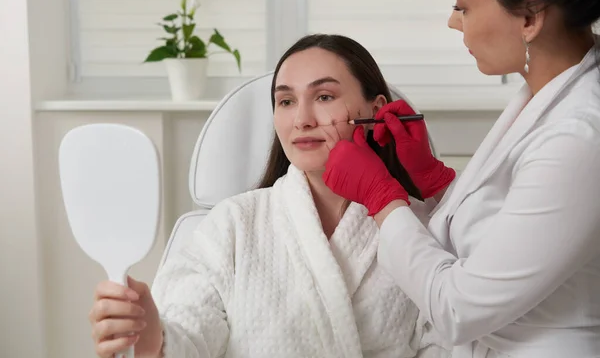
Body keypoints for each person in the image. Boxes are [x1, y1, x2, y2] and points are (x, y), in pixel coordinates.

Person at [87, 34, 449, 358]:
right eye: (286, 101)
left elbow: (451, 341)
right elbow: (190, 331)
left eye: (324, 96)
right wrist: (152, 339)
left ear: (376, 109)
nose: (302, 119)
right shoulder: (233, 224)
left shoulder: (416, 228)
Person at [322, 0, 600, 357]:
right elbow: (509, 230)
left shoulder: (580, 136)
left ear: (529, 17)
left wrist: (381, 196)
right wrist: (435, 182)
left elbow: (458, 308)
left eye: (463, 5)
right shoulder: (546, 92)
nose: (453, 22)